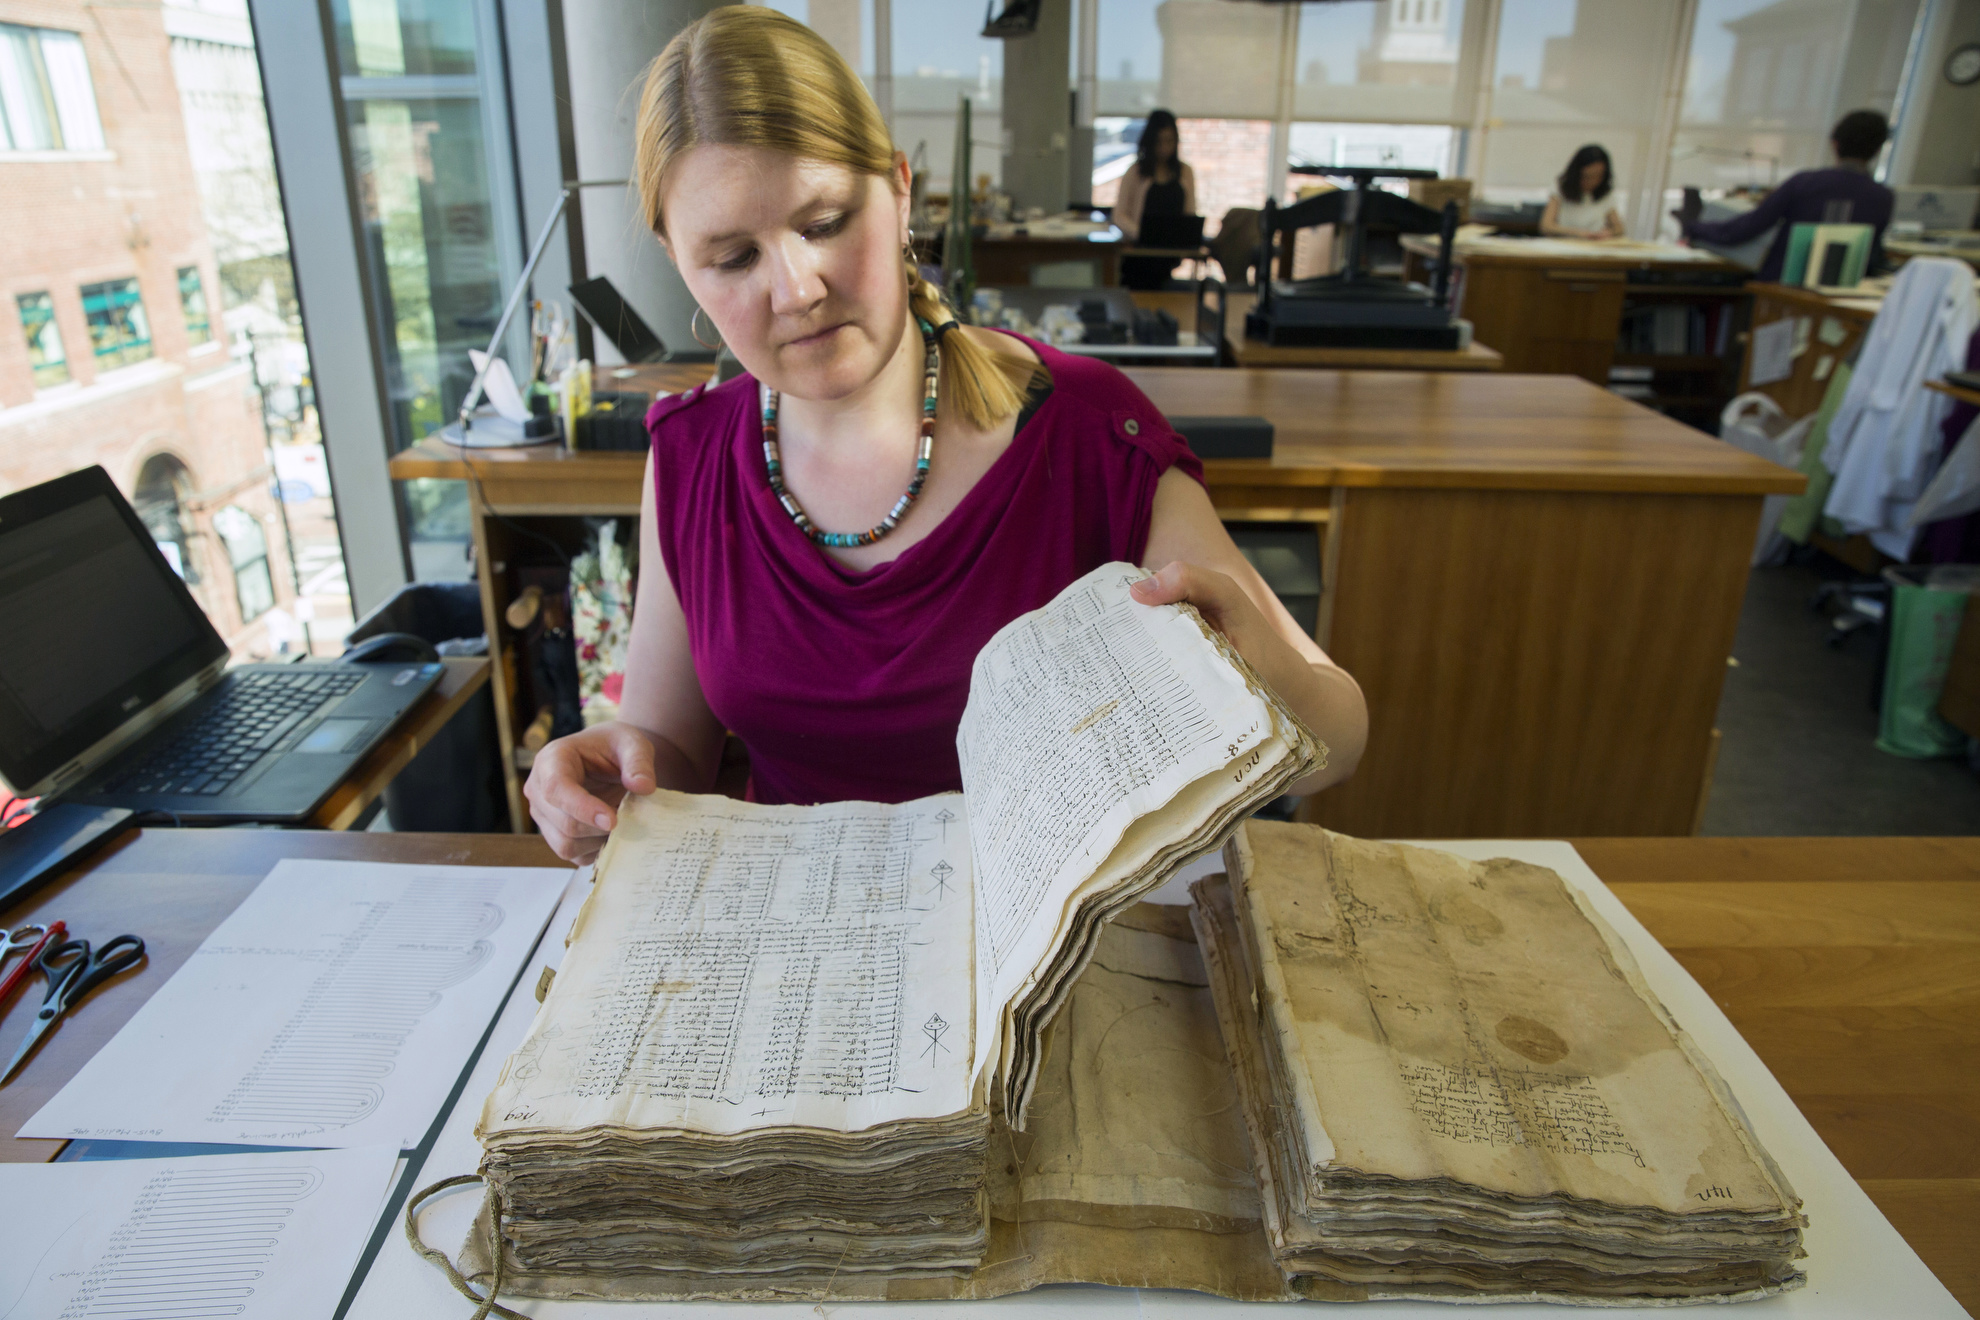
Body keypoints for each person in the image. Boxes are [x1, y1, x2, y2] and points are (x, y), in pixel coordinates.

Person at [524, 9, 1367, 863]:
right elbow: (672, 759)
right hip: (796, 947)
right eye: (734, 258)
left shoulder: (1086, 432)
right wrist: (606, 777)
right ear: (679, 264)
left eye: (822, 223)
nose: (796, 286)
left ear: (898, 191)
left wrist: (1263, 675)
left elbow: (1339, 735)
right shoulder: (689, 459)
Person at [1675, 110, 1895, 282]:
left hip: (1781, 290)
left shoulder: (1805, 183)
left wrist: (1694, 226)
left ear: (1834, 143)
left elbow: (1745, 229)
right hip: (1839, 301)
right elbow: (1872, 255)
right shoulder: (1883, 197)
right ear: (1877, 150)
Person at [1113, 110, 1198, 291]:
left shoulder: (1185, 172)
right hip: (1138, 257)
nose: (1164, 148)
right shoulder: (1135, 172)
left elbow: (1190, 214)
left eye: (1170, 141)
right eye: (1159, 141)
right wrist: (1139, 233)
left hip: (1169, 255)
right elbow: (1119, 214)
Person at [1542, 145, 1626, 240]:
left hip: (1595, 249)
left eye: (1599, 176)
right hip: (1565, 245)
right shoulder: (1561, 188)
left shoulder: (1605, 193)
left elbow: (1619, 229)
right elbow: (1546, 226)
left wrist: (1609, 233)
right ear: (1577, 173)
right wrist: (1578, 233)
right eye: (1587, 177)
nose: (1593, 182)